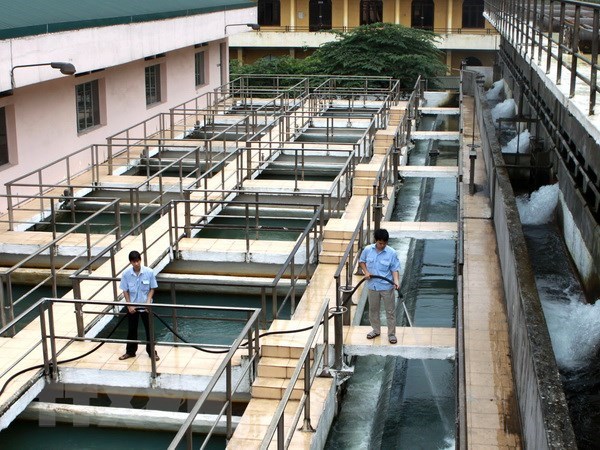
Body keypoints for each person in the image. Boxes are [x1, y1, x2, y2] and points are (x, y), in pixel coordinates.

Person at [359, 229, 401, 344]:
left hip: (387, 286)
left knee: (390, 311)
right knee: (373, 310)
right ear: (376, 240)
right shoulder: (368, 250)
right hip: (373, 286)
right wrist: (366, 272)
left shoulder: (391, 253)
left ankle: (391, 334)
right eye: (380, 243)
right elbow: (362, 262)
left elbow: (394, 269)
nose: (382, 245)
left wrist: (396, 281)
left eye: (384, 243)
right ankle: (376, 330)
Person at [118, 251, 159, 361]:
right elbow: (125, 291)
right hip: (133, 307)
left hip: (146, 306)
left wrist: (148, 302)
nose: (136, 263)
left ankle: (152, 352)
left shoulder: (149, 272)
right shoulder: (126, 274)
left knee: (149, 329)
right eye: (134, 261)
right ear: (130, 262)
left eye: (137, 261)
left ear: (140, 260)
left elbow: (152, 288)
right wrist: (129, 305)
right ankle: (130, 352)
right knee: (132, 329)